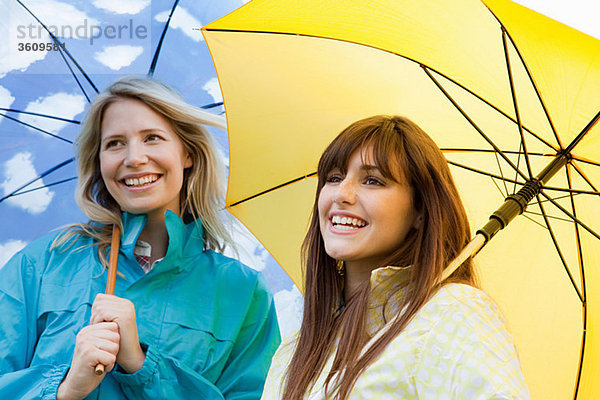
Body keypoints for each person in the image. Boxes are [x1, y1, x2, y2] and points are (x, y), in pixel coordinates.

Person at [0, 76, 281, 399]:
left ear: (187, 153)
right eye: (115, 143)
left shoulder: (243, 293)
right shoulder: (42, 264)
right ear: (99, 161)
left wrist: (141, 364)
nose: (133, 158)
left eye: (152, 138)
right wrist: (65, 389)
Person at [261, 115, 529, 399]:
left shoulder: (450, 312)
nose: (342, 194)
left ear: (420, 210)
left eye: (372, 181)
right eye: (334, 178)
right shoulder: (291, 352)